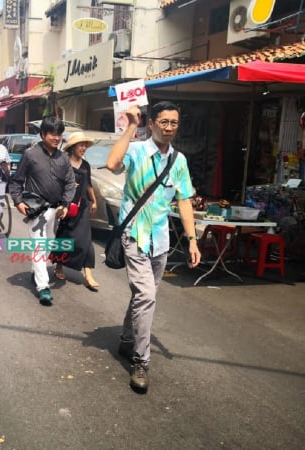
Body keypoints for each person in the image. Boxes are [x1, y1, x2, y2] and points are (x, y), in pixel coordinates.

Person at [105, 101, 201, 391]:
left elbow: (183, 200)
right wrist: (130, 126)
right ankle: (141, 361)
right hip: (134, 235)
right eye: (164, 122)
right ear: (152, 124)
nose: (169, 128)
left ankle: (125, 338)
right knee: (146, 296)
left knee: (142, 296)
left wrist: (192, 239)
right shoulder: (136, 150)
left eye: (174, 122)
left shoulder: (179, 161)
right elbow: (112, 164)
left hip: (160, 241)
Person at [9, 117, 76, 306]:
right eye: (53, 134)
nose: (56, 138)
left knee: (47, 246)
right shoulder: (30, 155)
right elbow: (16, 181)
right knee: (39, 246)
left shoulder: (63, 158)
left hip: (56, 211)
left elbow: (70, 183)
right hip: (36, 210)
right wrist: (18, 202)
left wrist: (65, 204)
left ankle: (35, 270)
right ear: (43, 135)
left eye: (59, 134)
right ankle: (43, 287)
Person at [51, 132, 99, 290]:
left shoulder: (85, 165)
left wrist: (94, 200)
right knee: (64, 236)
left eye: (85, 145)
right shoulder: (62, 163)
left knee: (86, 239)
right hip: (67, 205)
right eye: (81, 145)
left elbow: (89, 185)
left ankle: (88, 274)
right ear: (72, 147)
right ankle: (59, 265)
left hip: (82, 206)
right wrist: (68, 186)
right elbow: (55, 184)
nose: (84, 148)